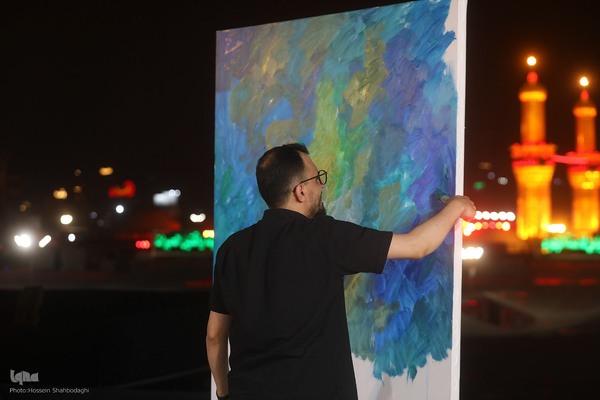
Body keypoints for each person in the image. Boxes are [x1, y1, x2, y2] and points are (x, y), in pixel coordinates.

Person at [206, 143, 476, 400]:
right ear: (300, 191)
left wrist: (223, 393)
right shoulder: (325, 237)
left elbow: (215, 335)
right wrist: (457, 206)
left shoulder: (231, 249)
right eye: (317, 178)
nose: (322, 185)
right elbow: (418, 245)